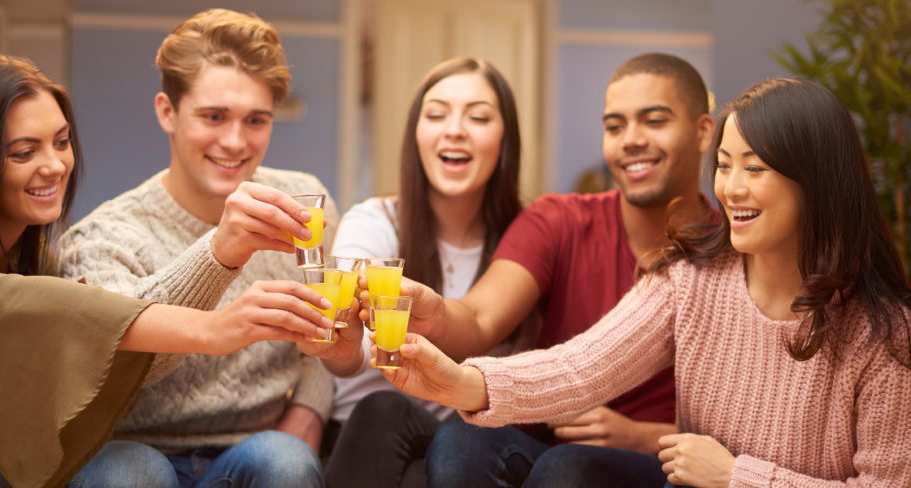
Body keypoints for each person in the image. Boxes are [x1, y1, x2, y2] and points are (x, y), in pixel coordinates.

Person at [377, 77, 911, 487]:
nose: (732, 188)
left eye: (755, 168)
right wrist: (461, 383)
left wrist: (735, 477)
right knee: (567, 470)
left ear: (814, 181)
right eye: (725, 166)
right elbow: (582, 366)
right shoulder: (691, 280)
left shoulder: (882, 333)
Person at [0, 55, 332, 487]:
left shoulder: (37, 256)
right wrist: (212, 327)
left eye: (61, 142)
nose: (55, 165)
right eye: (25, 152)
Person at [355, 52, 716, 486]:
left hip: (662, 462)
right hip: (548, 443)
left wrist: (644, 437)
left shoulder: (736, 251)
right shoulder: (558, 219)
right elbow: (481, 316)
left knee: (569, 467)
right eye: (614, 126)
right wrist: (435, 314)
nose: (630, 140)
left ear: (703, 131)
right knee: (462, 439)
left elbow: (759, 426)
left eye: (654, 121)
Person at [56, 9, 347, 488]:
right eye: (213, 116)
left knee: (286, 460)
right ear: (167, 112)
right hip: (129, 449)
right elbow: (120, 369)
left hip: (255, 444)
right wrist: (218, 253)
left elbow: (327, 335)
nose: (235, 141)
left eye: (256, 120)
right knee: (132, 473)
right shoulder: (100, 238)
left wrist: (308, 413)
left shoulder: (305, 206)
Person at [315, 57, 525, 488]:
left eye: (479, 116)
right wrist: (338, 348)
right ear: (416, 135)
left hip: (468, 450)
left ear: (506, 141)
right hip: (364, 439)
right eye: (436, 114)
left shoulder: (527, 238)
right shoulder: (374, 222)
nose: (454, 129)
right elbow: (348, 356)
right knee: (382, 409)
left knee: (456, 447)